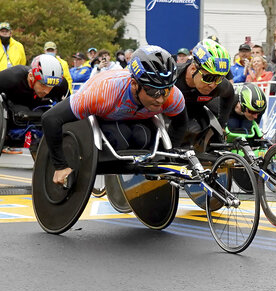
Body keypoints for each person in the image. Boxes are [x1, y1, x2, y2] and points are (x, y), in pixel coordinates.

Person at [43, 46, 185, 187]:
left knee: (143, 138)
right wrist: (60, 165)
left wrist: (168, 157)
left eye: (166, 91)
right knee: (121, 138)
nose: (160, 99)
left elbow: (181, 123)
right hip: (106, 117)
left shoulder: (173, 96)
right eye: (153, 91)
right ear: (135, 84)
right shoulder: (103, 94)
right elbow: (50, 118)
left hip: (139, 120)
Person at [167, 39, 235, 148]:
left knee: (211, 133)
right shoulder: (172, 77)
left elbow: (230, 94)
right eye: (208, 78)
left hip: (193, 113)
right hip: (168, 113)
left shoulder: (218, 85)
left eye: (219, 78)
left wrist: (222, 123)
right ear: (193, 69)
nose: (213, 85)